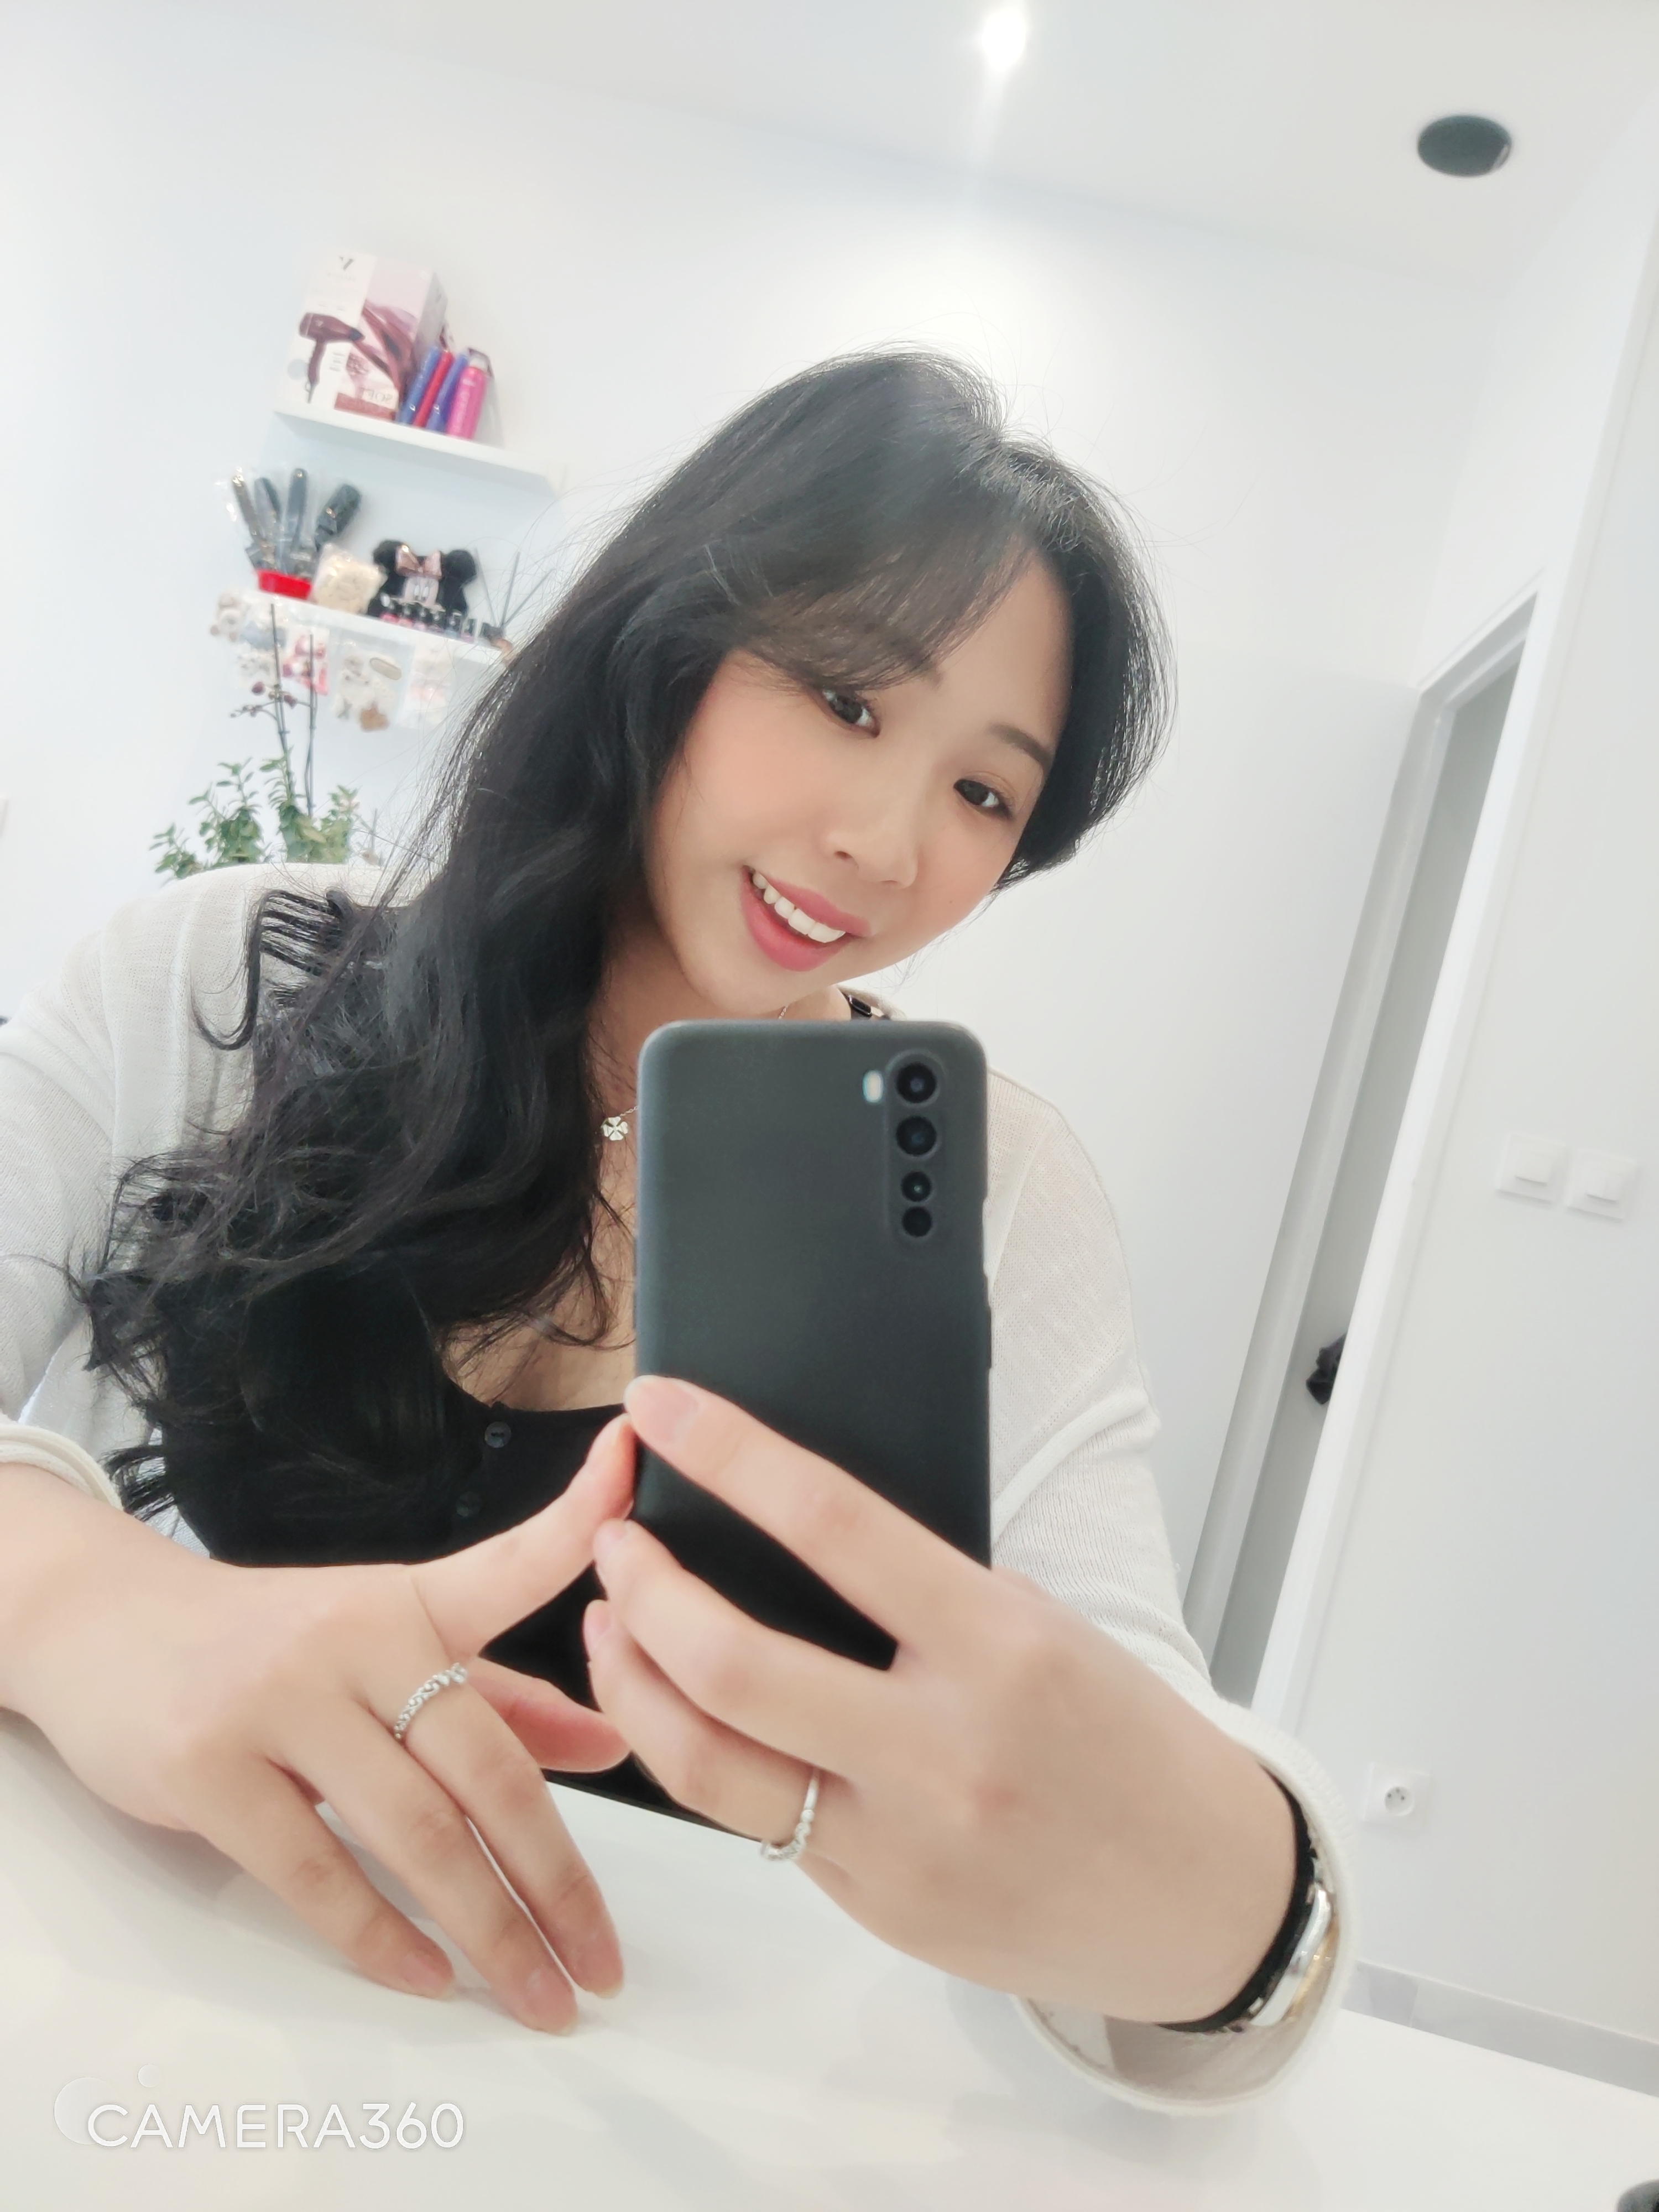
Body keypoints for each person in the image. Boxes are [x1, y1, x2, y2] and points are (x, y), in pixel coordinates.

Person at [0, 353, 1348, 2110]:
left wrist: (1243, 1920)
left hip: (641, 2097)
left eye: (984, 795)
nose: (884, 844)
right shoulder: (220, 978)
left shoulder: (996, 1189)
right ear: (671, 637)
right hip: (128, 2026)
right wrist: (77, 1598)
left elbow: (1130, 1721)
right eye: (846, 698)